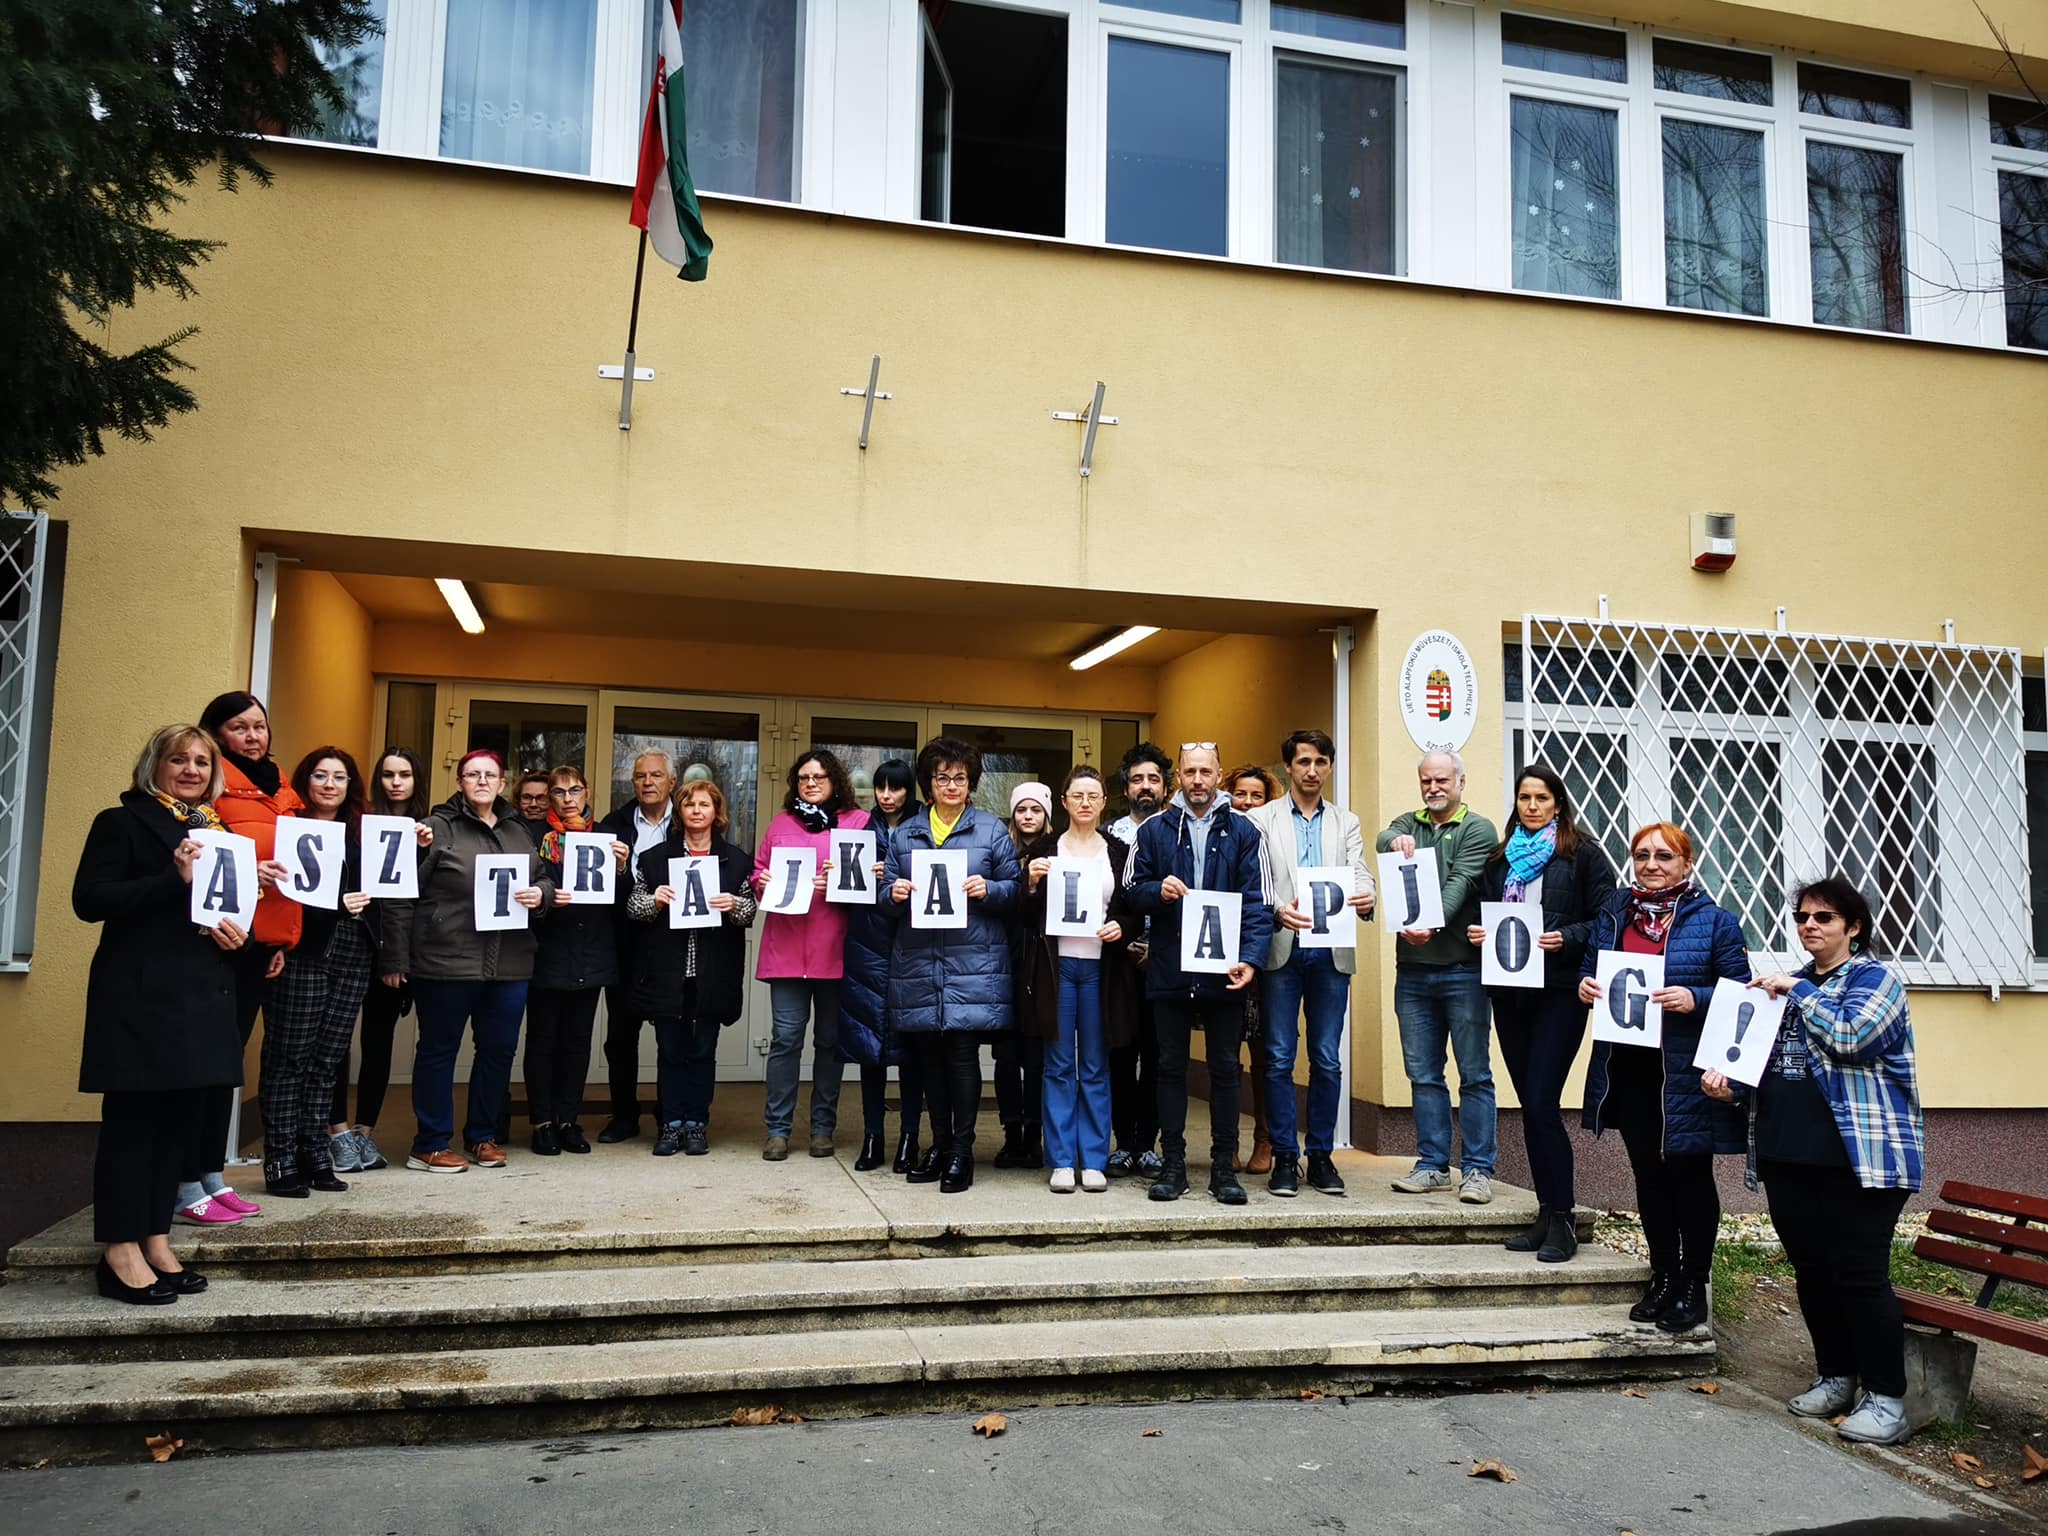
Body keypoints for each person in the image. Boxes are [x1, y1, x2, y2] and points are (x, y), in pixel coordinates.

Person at [1703, 877, 1923, 1445]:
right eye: (1802, 917)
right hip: (1788, 1154)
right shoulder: (1789, 986)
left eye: (1824, 917)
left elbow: (1852, 1038)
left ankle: (1886, 1399)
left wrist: (1797, 992)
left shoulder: (1875, 981)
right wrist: (1731, 1087)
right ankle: (1836, 1376)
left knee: (1860, 1276)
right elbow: (1769, 1063)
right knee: (1813, 1273)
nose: (1809, 926)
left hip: (1860, 1161)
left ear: (1853, 927)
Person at [74, 725, 246, 1300]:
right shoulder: (120, 822)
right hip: (141, 999)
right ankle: (118, 1250)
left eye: (202, 762)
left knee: (177, 1123)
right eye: (179, 759)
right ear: (155, 766)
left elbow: (220, 913)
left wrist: (238, 935)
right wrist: (172, 878)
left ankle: (155, 1239)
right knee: (133, 1125)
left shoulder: (217, 832)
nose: (192, 770)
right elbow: (89, 900)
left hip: (200, 996)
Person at [1578, 822, 1749, 1333]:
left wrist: (1696, 997)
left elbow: (1741, 994)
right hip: (1629, 1067)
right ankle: (1663, 1276)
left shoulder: (1716, 922)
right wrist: (1586, 986)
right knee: (1648, 1176)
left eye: (1664, 856)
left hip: (1684, 1070)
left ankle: (1694, 1284)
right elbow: (1591, 967)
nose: (1651, 865)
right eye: (1642, 855)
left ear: (1686, 864)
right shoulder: (1614, 914)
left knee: (1689, 1174)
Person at [1463, 764, 1613, 1262]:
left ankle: (1564, 1219)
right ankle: (1545, 1214)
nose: (1531, 806)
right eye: (1524, 797)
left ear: (1558, 804)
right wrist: (1479, 933)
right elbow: (1484, 911)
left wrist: (1565, 938)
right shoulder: (1501, 857)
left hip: (1560, 993)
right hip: (1511, 993)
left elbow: (1607, 920)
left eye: (1541, 798)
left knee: (1545, 1102)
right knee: (1530, 1104)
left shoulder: (1583, 853)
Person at [379, 748, 551, 1172]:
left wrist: (542, 895)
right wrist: (395, 957)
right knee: (439, 1051)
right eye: (472, 774)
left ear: (502, 782)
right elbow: (400, 893)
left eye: (489, 775)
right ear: (459, 782)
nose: (481, 781)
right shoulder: (435, 828)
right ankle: (430, 1143)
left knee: (498, 1051)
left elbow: (543, 877)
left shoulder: (518, 830)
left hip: (510, 962)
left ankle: (482, 1136)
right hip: (446, 961)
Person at [1125, 743, 1272, 1205]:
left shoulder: (1246, 830)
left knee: (1225, 1068)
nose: (1197, 780)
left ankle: (1223, 1168)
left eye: (1205, 771)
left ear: (1218, 775)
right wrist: (1157, 890)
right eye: (1189, 771)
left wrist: (1251, 958)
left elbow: (1260, 901)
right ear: (1178, 777)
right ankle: (1173, 1165)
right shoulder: (1153, 829)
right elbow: (1130, 890)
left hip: (1224, 968)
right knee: (1170, 1067)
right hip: (1170, 965)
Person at [178, 691, 299, 1226]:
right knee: (202, 1068)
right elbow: (208, 862)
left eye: (259, 726)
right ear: (216, 733)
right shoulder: (211, 788)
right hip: (216, 942)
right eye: (239, 727)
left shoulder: (282, 787)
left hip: (257, 944)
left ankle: (210, 1174)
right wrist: (253, 872)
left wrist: (277, 942)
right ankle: (186, 1180)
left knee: (226, 1065)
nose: (253, 736)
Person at [887, 736, 1022, 1193]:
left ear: (971, 783)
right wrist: (893, 893)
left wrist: (990, 889)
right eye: (942, 777)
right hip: (920, 962)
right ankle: (940, 1146)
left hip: (972, 963)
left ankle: (962, 1152)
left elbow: (1014, 889)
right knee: (929, 1061)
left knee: (963, 1058)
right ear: (928, 783)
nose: (951, 785)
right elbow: (885, 894)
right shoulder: (906, 832)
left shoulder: (991, 829)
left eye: (960, 778)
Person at [1252, 730, 1375, 1198]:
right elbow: (1256, 879)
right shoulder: (1262, 818)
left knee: (1326, 1057)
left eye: (1321, 761)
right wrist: (1277, 908)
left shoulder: (1346, 821)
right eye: (1303, 761)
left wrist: (1367, 896)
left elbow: (1359, 872)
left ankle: (1321, 1155)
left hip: (1330, 950)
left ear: (1329, 767)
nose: (1312, 770)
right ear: (1288, 767)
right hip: (1283, 947)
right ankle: (1286, 1156)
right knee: (1279, 1056)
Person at [1377, 751, 1500, 1204]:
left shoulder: (1478, 829)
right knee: (1423, 1074)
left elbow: (1462, 881)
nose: (1434, 788)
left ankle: (1478, 1170)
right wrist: (1394, 841)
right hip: (1412, 973)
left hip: (1464, 971)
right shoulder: (1409, 823)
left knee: (1474, 1074)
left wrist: (1430, 923)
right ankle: (1432, 1165)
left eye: (1442, 780)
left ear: (1461, 783)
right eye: (1427, 780)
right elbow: (1382, 837)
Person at [260, 747, 378, 1198]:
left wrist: (419, 847)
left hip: (354, 953)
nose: (330, 784)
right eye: (321, 775)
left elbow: (395, 882)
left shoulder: (363, 833)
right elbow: (279, 894)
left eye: (340, 777)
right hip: (303, 951)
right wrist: (333, 905)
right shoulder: (286, 828)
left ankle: (315, 1153)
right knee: (289, 1058)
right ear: (305, 780)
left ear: (351, 786)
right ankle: (280, 1158)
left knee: (328, 1060)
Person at [627, 777, 757, 1156]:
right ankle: (670, 1124)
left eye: (704, 804)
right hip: (668, 973)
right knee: (670, 1051)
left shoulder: (735, 860)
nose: (697, 811)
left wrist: (735, 904)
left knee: (702, 1051)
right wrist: (655, 899)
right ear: (679, 811)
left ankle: (697, 1123)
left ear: (716, 812)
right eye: (689, 804)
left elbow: (750, 913)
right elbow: (633, 908)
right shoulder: (655, 859)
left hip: (712, 975)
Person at [753, 749, 869, 1161]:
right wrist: (762, 879)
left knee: (829, 1042)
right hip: (786, 950)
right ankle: (778, 1130)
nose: (811, 783)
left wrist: (841, 881)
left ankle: (822, 1128)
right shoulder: (781, 823)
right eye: (803, 777)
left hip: (836, 949)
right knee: (785, 1040)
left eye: (819, 776)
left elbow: (868, 880)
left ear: (835, 781)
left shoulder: (857, 823)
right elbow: (758, 872)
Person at [1026, 765, 1133, 1193]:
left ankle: (1093, 1158)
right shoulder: (1045, 849)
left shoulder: (1119, 851)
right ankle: (1061, 1159)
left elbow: (1132, 907)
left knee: (1094, 1063)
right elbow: (1023, 914)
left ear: (1104, 802)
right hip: (1057, 967)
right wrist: (1029, 883)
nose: (1085, 803)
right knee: (1057, 1064)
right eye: (1077, 795)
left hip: (1100, 969)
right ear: (1064, 801)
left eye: (1093, 796)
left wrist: (1123, 926)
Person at [327, 747, 431, 1175]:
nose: (396, 782)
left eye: (404, 774)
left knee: (378, 1044)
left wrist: (423, 849)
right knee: (336, 1043)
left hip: (398, 953)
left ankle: (364, 1132)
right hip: (354, 946)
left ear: (416, 779)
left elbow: (418, 896)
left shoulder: (428, 826)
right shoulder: (357, 823)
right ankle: (337, 1131)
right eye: (388, 774)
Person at [526, 765, 627, 1156]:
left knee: (577, 1042)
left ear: (587, 793)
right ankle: (542, 1122)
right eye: (559, 791)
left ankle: (568, 1119)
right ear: (549, 797)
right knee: (542, 1041)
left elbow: (623, 902)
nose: (568, 798)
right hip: (548, 951)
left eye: (575, 790)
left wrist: (621, 868)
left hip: (592, 952)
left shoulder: (606, 836)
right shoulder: (538, 837)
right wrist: (546, 898)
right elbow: (525, 889)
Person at [839, 759, 927, 1173]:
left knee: (912, 1053)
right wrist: (840, 874)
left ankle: (910, 1137)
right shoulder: (860, 829)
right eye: (880, 788)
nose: (886, 796)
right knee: (869, 1050)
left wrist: (893, 877)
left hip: (912, 946)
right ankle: (872, 1136)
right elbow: (844, 892)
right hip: (867, 946)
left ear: (910, 791)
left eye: (895, 788)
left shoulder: (923, 829)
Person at [596, 750, 678, 1142]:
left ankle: (669, 1116)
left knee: (670, 1036)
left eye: (656, 775)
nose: (648, 782)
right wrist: (620, 872)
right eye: (640, 776)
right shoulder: (612, 826)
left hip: (672, 945)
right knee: (620, 1037)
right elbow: (601, 889)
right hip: (624, 944)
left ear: (671, 782)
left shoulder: (690, 822)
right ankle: (624, 1116)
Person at [1105, 741, 1171, 1179]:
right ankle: (1123, 1142)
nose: (1145, 786)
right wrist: (1125, 940)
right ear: (1125, 787)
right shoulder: (1108, 837)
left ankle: (1148, 1143)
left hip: (1164, 961)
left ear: (1165, 786)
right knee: (1120, 1054)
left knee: (1159, 1055)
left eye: (1153, 779)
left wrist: (1156, 947)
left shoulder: (1178, 832)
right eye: (1137, 779)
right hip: (1118, 963)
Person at [1224, 763, 1281, 1173]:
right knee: (1225, 1054)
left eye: (1255, 796)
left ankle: (1265, 1138)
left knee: (1263, 1053)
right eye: (1239, 794)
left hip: (1263, 958)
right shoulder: (1221, 834)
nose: (1246, 802)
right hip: (1221, 955)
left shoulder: (1273, 840)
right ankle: (1226, 1141)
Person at [996, 781, 1055, 1171]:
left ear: (1047, 814)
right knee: (1004, 1057)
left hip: (1041, 966)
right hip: (1003, 965)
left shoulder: (1059, 852)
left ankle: (1034, 1133)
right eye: (1021, 809)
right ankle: (1011, 1132)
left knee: (1036, 1058)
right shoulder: (1001, 854)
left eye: (1035, 809)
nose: (1028, 816)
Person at [510, 773, 553, 842]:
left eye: (541, 798)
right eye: (527, 797)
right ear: (518, 800)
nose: (533, 804)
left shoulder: (564, 832)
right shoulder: (505, 829)